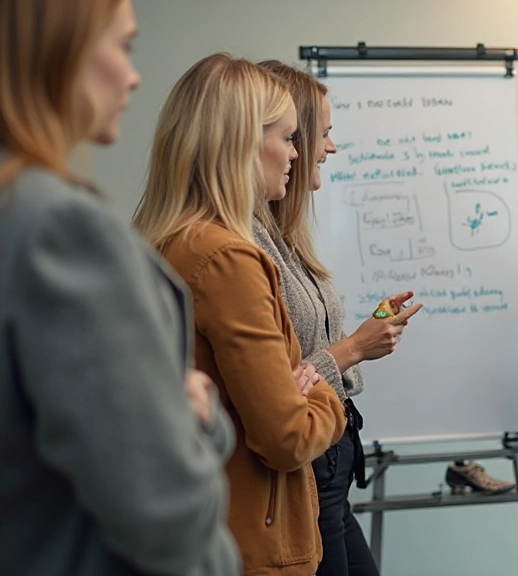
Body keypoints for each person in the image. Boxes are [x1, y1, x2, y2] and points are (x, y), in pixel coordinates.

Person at [0, 1, 239, 574]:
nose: (134, 76)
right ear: (61, 49)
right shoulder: (60, 229)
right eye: (124, 46)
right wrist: (194, 419)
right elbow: (168, 513)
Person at [133, 53, 347, 576]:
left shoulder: (162, 243)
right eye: (288, 138)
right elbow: (288, 437)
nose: (296, 154)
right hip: (251, 546)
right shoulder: (227, 259)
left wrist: (299, 388)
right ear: (244, 142)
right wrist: (324, 392)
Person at [254, 60, 423, 576]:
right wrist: (354, 348)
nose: (329, 148)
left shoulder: (283, 235)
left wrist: (366, 332)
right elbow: (281, 384)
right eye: (321, 134)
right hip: (307, 466)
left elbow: (305, 349)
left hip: (333, 462)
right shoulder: (246, 245)